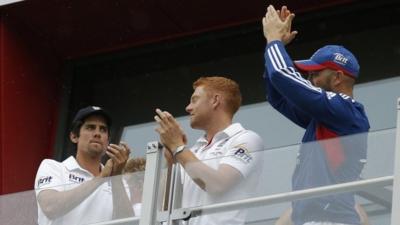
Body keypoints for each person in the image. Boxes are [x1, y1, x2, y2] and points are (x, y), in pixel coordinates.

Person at [262, 5, 370, 225]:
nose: (311, 80)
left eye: (316, 73)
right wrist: (273, 46)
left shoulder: (347, 111)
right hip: (313, 219)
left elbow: (283, 77)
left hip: (331, 220)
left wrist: (274, 41)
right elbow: (279, 97)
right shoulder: (325, 115)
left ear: (338, 77)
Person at [154, 76, 264, 225]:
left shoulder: (247, 139)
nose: (188, 107)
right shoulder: (192, 151)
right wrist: (171, 160)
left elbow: (218, 185)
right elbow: (164, 208)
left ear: (215, 100)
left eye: (194, 99)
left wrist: (178, 148)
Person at [34, 106, 133, 225]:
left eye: (103, 129)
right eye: (90, 127)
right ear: (74, 137)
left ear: (107, 141)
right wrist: (101, 178)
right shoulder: (53, 167)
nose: (97, 133)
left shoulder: (119, 182)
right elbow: (50, 207)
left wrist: (116, 177)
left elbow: (128, 223)